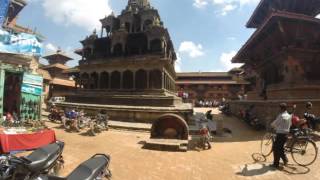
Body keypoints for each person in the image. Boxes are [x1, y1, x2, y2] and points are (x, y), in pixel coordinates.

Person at [270, 103, 292, 169]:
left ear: (281, 108)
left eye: (279, 108)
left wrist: (272, 126)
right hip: (285, 134)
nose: (278, 109)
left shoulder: (281, 115)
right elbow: (290, 124)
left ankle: (276, 164)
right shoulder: (289, 115)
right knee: (280, 148)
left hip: (280, 134)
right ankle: (285, 160)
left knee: (275, 148)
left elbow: (275, 123)